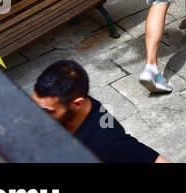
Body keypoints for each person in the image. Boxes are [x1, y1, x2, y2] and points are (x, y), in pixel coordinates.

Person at [33, 60, 168, 162]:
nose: (36, 116)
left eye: (47, 111)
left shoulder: (109, 145)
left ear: (77, 104)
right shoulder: (75, 101)